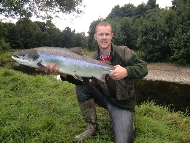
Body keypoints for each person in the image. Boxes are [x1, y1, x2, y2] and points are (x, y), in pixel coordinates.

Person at [37, 22, 148, 143]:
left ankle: (127, 122)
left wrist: (126, 71)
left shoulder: (124, 52)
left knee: (123, 140)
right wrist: (62, 73)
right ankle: (92, 127)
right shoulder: (92, 58)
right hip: (105, 98)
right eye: (101, 34)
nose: (104, 37)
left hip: (122, 104)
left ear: (111, 35)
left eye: (107, 34)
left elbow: (143, 68)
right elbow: (81, 79)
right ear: (95, 37)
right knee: (81, 86)